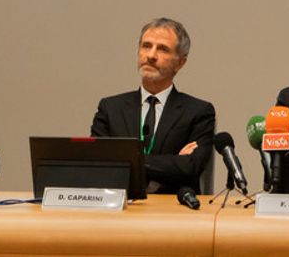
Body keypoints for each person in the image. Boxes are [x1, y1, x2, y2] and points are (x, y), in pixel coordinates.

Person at [91, 16, 216, 194]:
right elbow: (99, 163)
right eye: (146, 46)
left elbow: (190, 168)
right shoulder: (110, 109)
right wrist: (173, 161)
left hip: (173, 214)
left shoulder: (198, 112)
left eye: (163, 49)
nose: (151, 56)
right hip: (119, 211)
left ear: (180, 62)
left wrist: (125, 160)